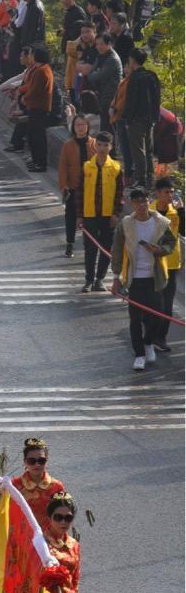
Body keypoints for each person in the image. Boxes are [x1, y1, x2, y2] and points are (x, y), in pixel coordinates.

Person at [111, 186, 177, 371]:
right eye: (137, 202)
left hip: (154, 277)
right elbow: (116, 251)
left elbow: (171, 243)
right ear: (132, 204)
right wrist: (116, 278)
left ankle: (148, 342)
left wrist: (160, 250)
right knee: (135, 318)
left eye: (144, 201)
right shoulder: (126, 224)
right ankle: (139, 354)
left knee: (157, 315)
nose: (141, 205)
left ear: (149, 201)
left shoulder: (161, 223)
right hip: (134, 278)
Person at [79, 131, 123, 292]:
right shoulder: (86, 167)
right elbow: (79, 192)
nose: (102, 148)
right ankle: (88, 280)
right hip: (89, 215)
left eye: (106, 145)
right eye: (99, 144)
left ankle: (100, 279)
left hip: (107, 216)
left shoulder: (116, 168)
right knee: (89, 249)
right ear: (94, 145)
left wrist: (115, 214)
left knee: (106, 248)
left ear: (111, 147)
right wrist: (79, 216)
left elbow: (119, 194)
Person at [120, 48, 161, 188]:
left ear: (132, 60)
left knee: (137, 150)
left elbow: (131, 102)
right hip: (150, 118)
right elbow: (157, 98)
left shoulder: (134, 78)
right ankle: (150, 178)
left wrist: (126, 119)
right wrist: (156, 117)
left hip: (136, 119)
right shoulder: (152, 75)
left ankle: (141, 179)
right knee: (149, 149)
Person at [57, 113, 96, 259]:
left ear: (87, 127)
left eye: (83, 124)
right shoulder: (68, 145)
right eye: (78, 125)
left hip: (90, 188)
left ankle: (89, 246)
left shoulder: (94, 144)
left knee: (89, 219)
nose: (80, 127)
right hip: (73, 187)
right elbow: (62, 167)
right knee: (71, 217)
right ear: (73, 127)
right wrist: (64, 186)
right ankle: (70, 243)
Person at [151, 176, 181, 350]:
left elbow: (183, 232)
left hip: (171, 264)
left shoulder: (176, 212)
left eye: (172, 192)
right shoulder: (148, 211)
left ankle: (161, 338)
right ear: (158, 193)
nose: (170, 195)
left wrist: (182, 211)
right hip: (152, 264)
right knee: (154, 304)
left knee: (167, 306)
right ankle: (149, 335)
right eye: (166, 192)